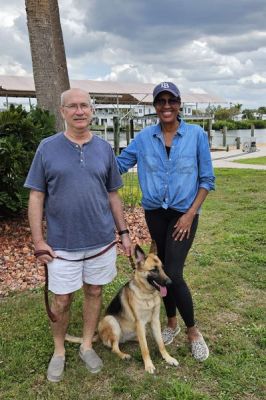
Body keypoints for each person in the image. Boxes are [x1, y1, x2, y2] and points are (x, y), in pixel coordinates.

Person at [24, 88, 132, 382]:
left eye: (84, 105)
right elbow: (36, 197)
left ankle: (86, 344)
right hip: (61, 244)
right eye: (72, 106)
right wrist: (38, 242)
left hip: (100, 241)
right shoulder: (47, 148)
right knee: (61, 299)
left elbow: (113, 194)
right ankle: (59, 351)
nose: (79, 111)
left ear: (92, 110)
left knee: (95, 291)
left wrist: (123, 232)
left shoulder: (104, 149)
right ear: (62, 112)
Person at [116, 82, 215, 362]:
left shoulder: (196, 135)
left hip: (184, 214)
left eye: (172, 100)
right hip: (155, 214)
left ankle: (193, 332)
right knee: (161, 270)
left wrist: (190, 214)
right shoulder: (145, 138)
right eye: (161, 101)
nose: (167, 106)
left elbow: (207, 180)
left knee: (174, 272)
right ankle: (171, 322)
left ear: (180, 104)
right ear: (155, 107)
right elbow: (120, 165)